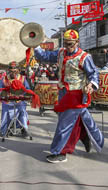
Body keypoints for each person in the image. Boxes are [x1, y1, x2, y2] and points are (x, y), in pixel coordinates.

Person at [34, 29, 104, 163]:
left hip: (76, 94)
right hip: (63, 93)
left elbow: (93, 74)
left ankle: (60, 152)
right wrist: (35, 45)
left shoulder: (84, 57)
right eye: (66, 44)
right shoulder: (61, 52)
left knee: (64, 123)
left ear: (77, 42)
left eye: (70, 44)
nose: (68, 47)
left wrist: (91, 85)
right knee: (81, 119)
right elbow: (45, 57)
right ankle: (84, 136)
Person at [0, 62, 35, 138]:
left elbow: (27, 89)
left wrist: (24, 95)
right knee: (5, 113)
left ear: (18, 70)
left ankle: (24, 129)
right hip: (8, 101)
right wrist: (3, 94)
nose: (13, 71)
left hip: (19, 101)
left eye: (15, 70)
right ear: (8, 70)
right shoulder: (4, 79)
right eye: (11, 70)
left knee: (23, 112)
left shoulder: (22, 78)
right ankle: (5, 130)